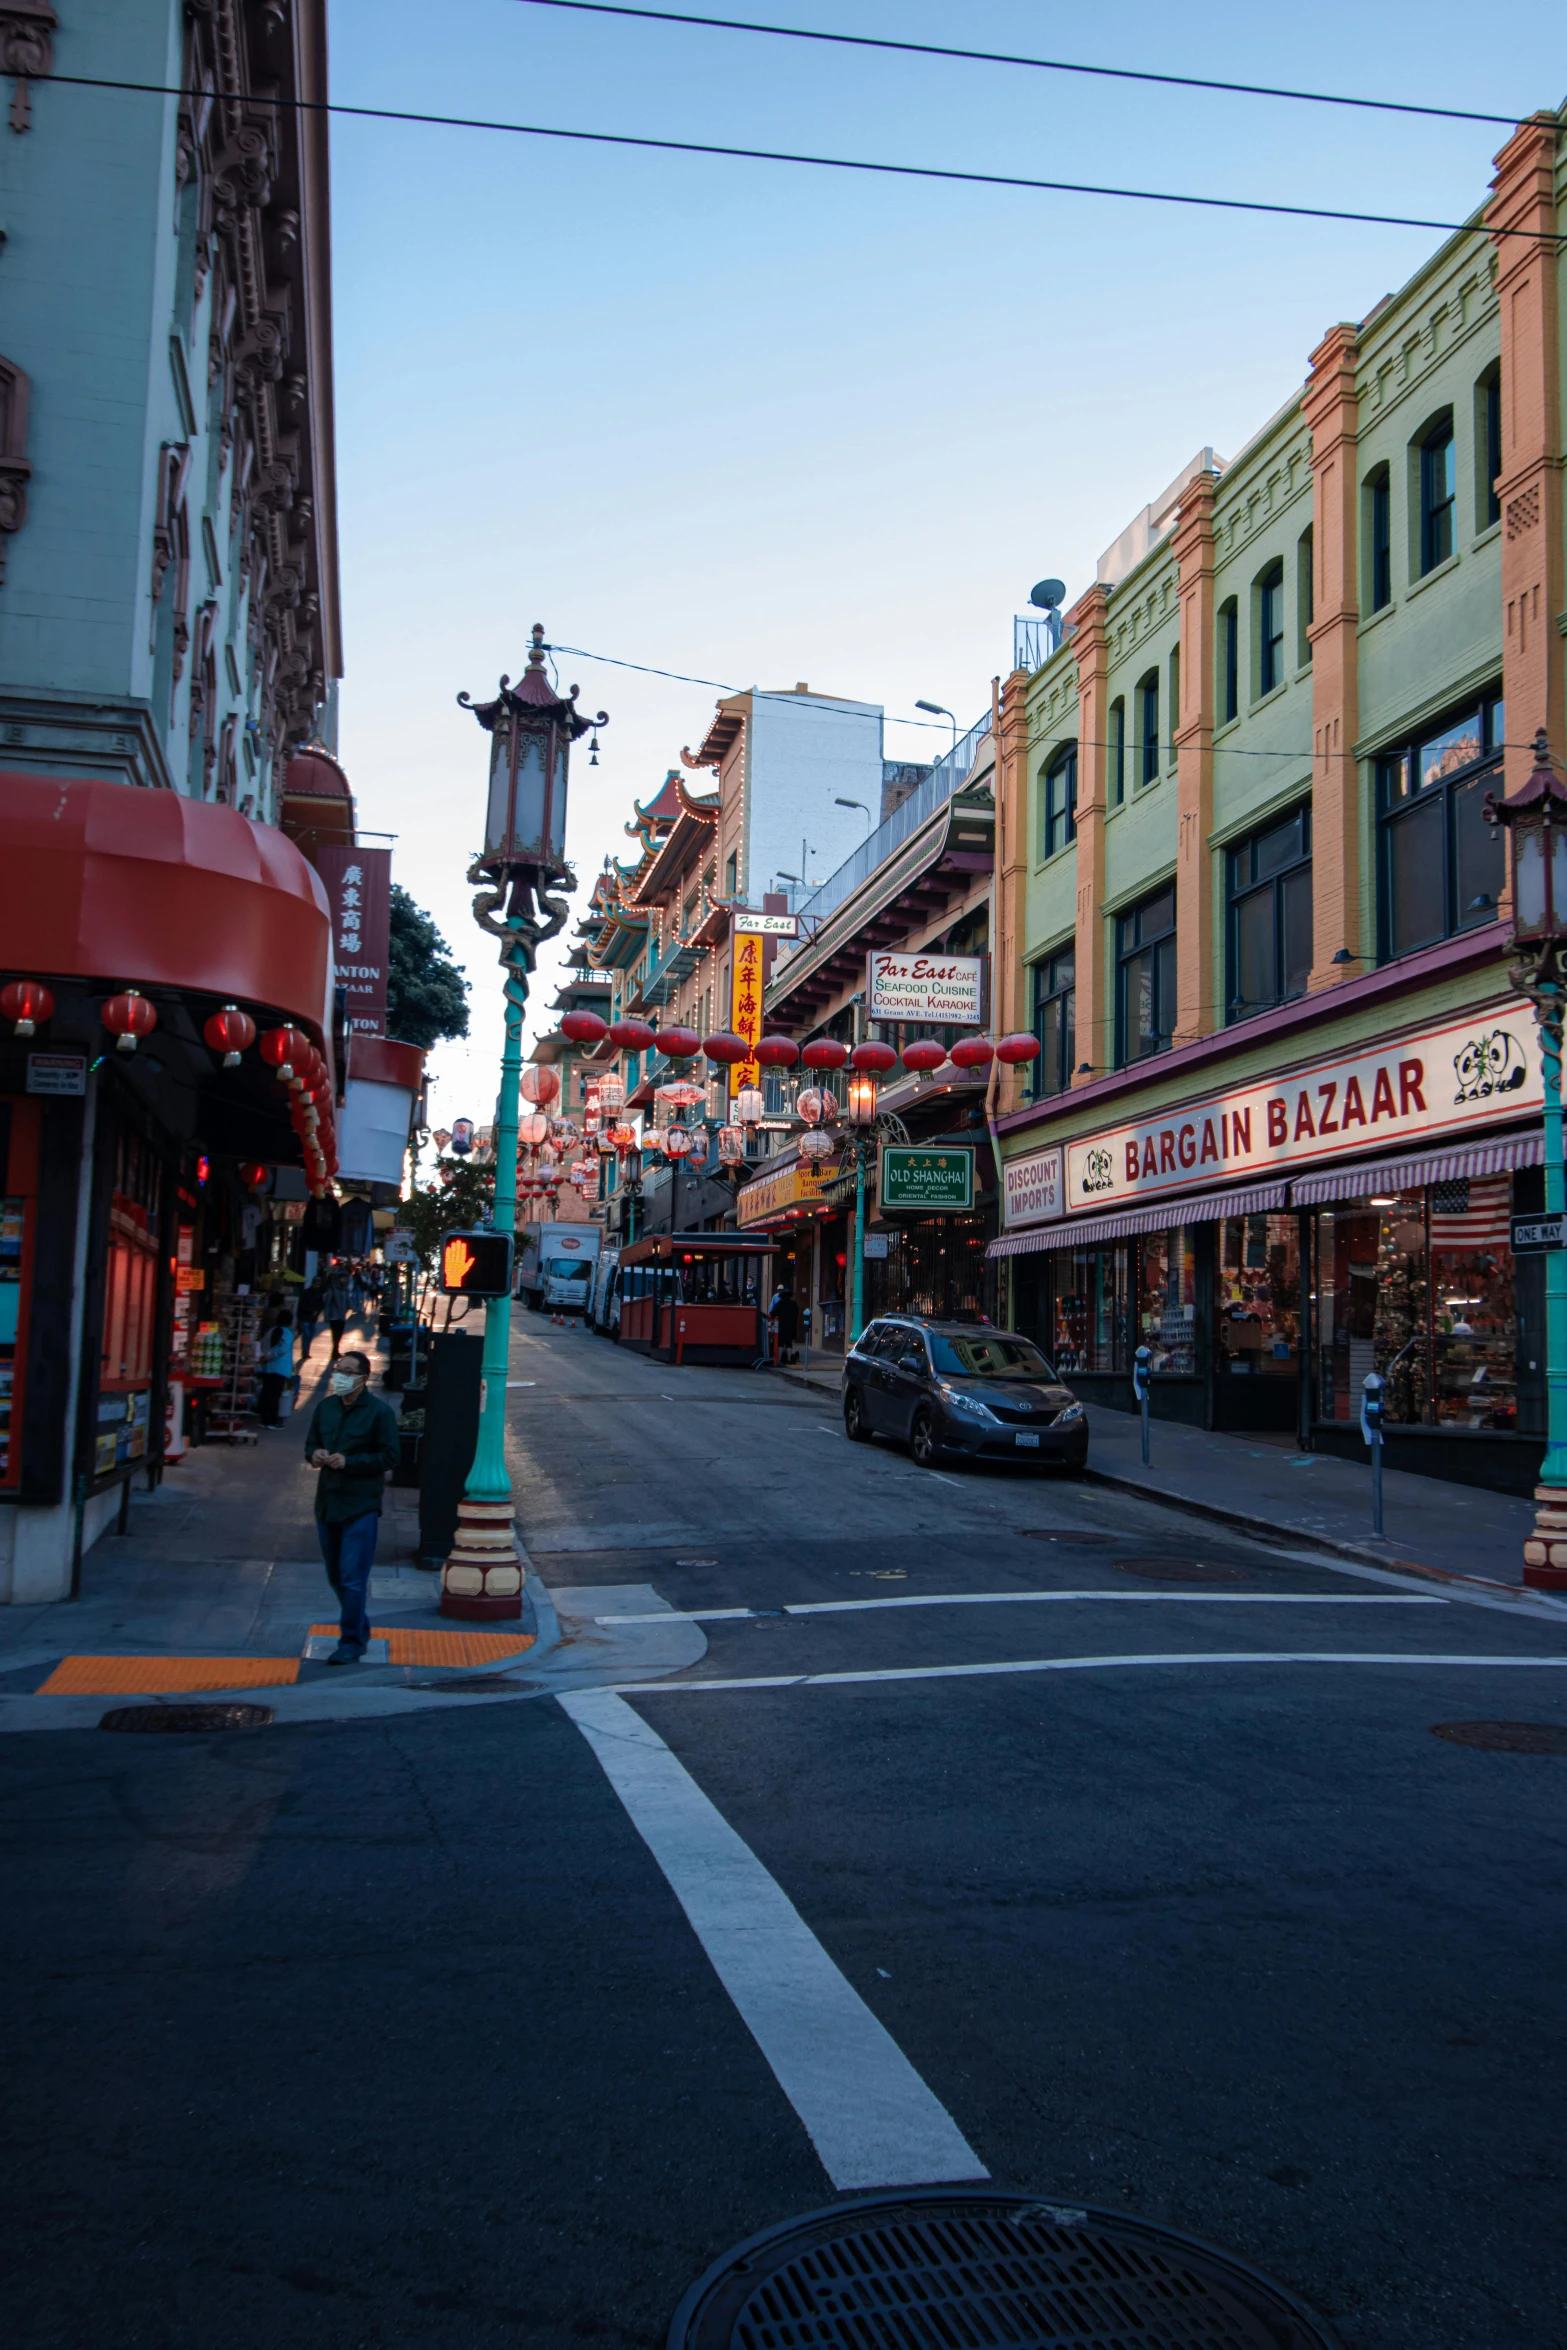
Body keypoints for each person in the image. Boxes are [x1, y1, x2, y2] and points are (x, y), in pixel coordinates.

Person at [302, 1349, 401, 1665]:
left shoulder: (379, 1413)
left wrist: (351, 1462)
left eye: (347, 1371)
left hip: (361, 1505)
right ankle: (360, 1627)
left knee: (352, 1577)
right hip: (328, 1503)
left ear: (362, 1377)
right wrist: (315, 1455)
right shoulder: (325, 1408)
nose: (340, 1376)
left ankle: (351, 1641)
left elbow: (390, 1457)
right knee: (335, 1575)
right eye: (338, 1369)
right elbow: (310, 1445)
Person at [256, 1311, 296, 1426]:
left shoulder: (271, 1331)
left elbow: (263, 1345)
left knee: (266, 1394)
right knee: (274, 1396)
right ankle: (271, 1421)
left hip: (268, 1368)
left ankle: (264, 1420)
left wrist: (263, 1358)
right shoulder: (287, 1333)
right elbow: (282, 1349)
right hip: (279, 1369)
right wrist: (268, 1357)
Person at [320, 1262, 351, 1360]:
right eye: (343, 1278)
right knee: (335, 1334)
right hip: (334, 1316)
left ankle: (335, 1351)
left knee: (340, 1333)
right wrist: (326, 1315)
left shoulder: (345, 1290)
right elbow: (327, 1303)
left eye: (346, 1278)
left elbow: (348, 1302)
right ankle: (335, 1351)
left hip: (342, 1315)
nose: (345, 1280)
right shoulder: (332, 1290)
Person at [769, 1282, 799, 1364]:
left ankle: (778, 1360)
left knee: (781, 1343)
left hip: (781, 1326)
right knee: (789, 1343)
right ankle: (789, 1359)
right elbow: (797, 1312)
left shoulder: (779, 1303)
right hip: (791, 1326)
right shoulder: (794, 1304)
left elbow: (773, 1312)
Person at [297, 1278, 323, 1362]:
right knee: (306, 1335)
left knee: (310, 1335)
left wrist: (317, 1312)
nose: (317, 1285)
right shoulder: (306, 1293)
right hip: (306, 1317)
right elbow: (302, 1306)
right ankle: (305, 1352)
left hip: (313, 1318)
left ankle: (306, 1351)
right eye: (316, 1284)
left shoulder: (319, 1293)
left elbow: (321, 1304)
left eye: (318, 1284)